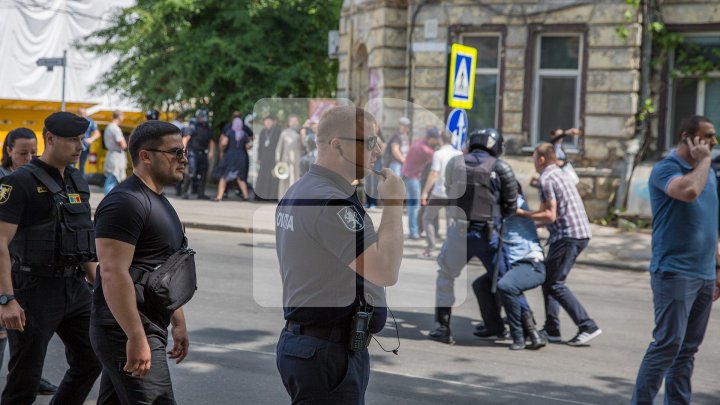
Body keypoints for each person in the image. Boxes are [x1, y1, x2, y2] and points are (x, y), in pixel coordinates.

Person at [275, 105, 405, 403]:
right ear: (337, 145)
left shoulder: (301, 190)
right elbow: (385, 270)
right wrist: (394, 204)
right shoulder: (331, 202)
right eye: (369, 141)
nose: (377, 150)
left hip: (311, 345)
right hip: (327, 352)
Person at [0, 112, 101, 404]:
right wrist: (6, 299)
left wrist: (103, 290)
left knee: (92, 358)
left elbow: (83, 243)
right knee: (25, 380)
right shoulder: (20, 183)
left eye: (82, 139)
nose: (80, 146)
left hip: (75, 288)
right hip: (33, 289)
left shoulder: (76, 181)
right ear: (50, 139)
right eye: (72, 140)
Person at [91, 120, 191, 404]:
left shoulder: (158, 201)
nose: (183, 159)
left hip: (148, 323)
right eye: (175, 153)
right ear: (146, 156)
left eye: (183, 152)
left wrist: (178, 322)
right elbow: (112, 273)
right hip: (125, 328)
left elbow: (165, 269)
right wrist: (135, 336)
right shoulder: (126, 202)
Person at [631, 115, 720, 404]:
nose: (713, 143)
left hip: (704, 274)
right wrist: (704, 161)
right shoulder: (665, 169)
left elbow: (709, 222)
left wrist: (718, 266)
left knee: (687, 350)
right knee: (667, 345)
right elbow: (688, 192)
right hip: (675, 272)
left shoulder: (708, 174)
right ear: (687, 138)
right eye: (707, 136)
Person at [429, 128, 518, 344]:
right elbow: (511, 205)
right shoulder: (500, 166)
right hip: (489, 233)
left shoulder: (454, 163)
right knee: (504, 280)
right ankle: (520, 329)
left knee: (446, 277)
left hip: (458, 232)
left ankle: (443, 327)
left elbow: (450, 192)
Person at [517, 143, 600, 346]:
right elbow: (554, 213)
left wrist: (522, 216)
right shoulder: (560, 173)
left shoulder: (546, 178)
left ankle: (587, 325)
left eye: (534, 158)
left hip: (568, 236)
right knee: (549, 280)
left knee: (555, 283)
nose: (533, 162)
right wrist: (534, 224)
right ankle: (552, 328)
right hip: (576, 233)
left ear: (542, 159)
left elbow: (550, 215)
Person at [0, 128, 59, 395]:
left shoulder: (40, 178)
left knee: (24, 332)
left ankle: (29, 377)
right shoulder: (6, 182)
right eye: (23, 152)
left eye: (33, 152)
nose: (28, 157)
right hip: (5, 262)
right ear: (9, 150)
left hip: (23, 265)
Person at [495, 185, 547, 350]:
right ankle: (493, 326)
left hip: (530, 263)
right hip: (516, 263)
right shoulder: (507, 204)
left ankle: (519, 335)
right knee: (481, 284)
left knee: (506, 285)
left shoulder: (514, 203)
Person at [420, 129, 462, 258]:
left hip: (439, 192)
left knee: (427, 218)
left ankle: (431, 248)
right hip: (453, 193)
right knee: (451, 221)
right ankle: (449, 248)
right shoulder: (459, 154)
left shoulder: (438, 154)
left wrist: (425, 192)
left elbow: (434, 174)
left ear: (440, 139)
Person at [402, 126, 440, 240]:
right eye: (436, 139)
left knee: (412, 205)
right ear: (430, 138)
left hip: (407, 174)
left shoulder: (418, 141)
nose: (437, 141)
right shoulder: (425, 149)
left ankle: (414, 230)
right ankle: (413, 232)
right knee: (414, 206)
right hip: (413, 177)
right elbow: (437, 159)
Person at [214, 116, 253, 201]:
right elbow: (248, 146)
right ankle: (246, 196)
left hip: (230, 155)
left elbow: (224, 143)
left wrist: (223, 150)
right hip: (241, 156)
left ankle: (219, 196)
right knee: (240, 177)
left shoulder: (229, 132)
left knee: (224, 176)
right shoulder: (244, 134)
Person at [181, 108, 215, 200]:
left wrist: (211, 152)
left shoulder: (208, 128)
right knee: (191, 172)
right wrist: (183, 151)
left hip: (203, 153)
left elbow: (211, 141)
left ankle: (201, 193)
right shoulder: (193, 127)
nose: (205, 118)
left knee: (203, 173)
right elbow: (186, 139)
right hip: (193, 153)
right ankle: (185, 192)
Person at [254, 114, 282, 201]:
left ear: (273, 122)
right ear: (264, 123)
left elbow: (279, 146)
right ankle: (261, 196)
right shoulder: (263, 132)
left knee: (273, 177)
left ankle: (272, 196)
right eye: (266, 122)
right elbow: (260, 146)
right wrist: (259, 158)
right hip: (264, 157)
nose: (268, 123)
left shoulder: (278, 131)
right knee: (262, 176)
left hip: (273, 158)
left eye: (270, 121)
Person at [275, 114, 303, 198]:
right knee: (284, 180)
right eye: (292, 121)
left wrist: (303, 136)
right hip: (285, 160)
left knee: (296, 179)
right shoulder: (284, 133)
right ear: (289, 122)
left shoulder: (300, 133)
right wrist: (278, 160)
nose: (294, 123)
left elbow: (304, 146)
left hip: (297, 160)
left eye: (295, 121)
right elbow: (279, 148)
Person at [103, 110, 127, 194]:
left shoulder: (109, 127)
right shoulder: (115, 128)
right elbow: (123, 144)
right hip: (116, 156)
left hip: (112, 154)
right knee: (112, 179)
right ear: (119, 116)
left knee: (112, 179)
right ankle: (108, 200)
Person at [78, 108, 100, 176]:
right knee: (71, 164)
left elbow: (97, 133)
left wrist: (91, 139)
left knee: (82, 165)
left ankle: (81, 183)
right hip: (74, 146)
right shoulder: (74, 121)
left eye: (84, 113)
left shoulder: (90, 122)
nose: (83, 115)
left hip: (85, 147)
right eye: (81, 114)